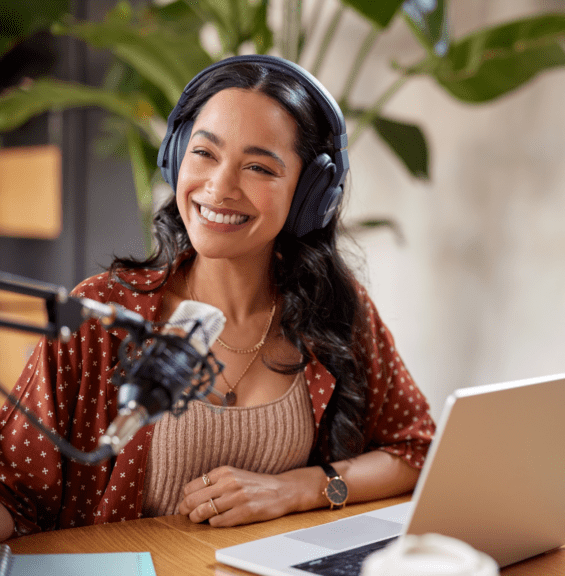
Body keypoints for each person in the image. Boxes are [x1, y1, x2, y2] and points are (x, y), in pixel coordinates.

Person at [0, 55, 435, 541]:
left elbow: (415, 450)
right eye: (204, 153)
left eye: (258, 167)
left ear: (310, 192)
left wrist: (298, 489)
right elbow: (13, 494)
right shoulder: (101, 314)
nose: (220, 187)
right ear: (176, 156)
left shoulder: (335, 313)